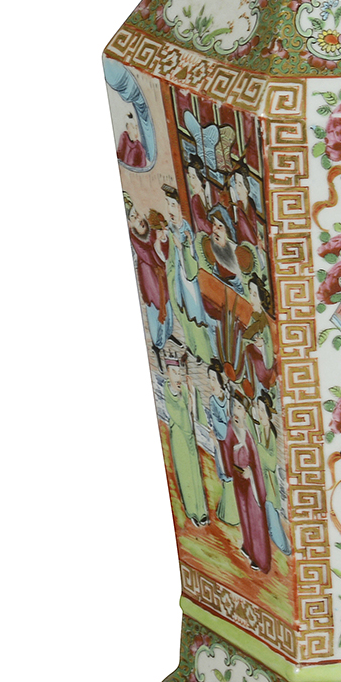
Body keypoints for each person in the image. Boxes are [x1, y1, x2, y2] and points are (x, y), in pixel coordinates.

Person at [161, 185, 214, 361]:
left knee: (195, 317)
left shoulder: (185, 229)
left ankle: (204, 354)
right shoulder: (169, 228)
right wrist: (165, 241)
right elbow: (166, 256)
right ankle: (192, 348)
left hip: (189, 282)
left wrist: (183, 246)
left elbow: (192, 263)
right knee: (184, 316)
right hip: (177, 280)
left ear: (179, 207)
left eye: (173, 204)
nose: (170, 209)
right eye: (168, 204)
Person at [162, 350, 208, 527]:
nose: (178, 377)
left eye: (179, 372)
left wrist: (191, 391)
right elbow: (178, 413)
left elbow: (193, 411)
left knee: (195, 472)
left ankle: (202, 512)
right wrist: (185, 398)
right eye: (174, 372)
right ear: (168, 373)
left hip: (189, 435)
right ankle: (193, 512)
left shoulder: (183, 389)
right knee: (185, 473)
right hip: (180, 436)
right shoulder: (168, 391)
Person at [228, 394, 271, 572]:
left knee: (255, 517)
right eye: (235, 406)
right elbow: (226, 453)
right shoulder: (231, 428)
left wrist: (251, 473)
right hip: (239, 480)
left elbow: (256, 461)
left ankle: (260, 558)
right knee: (244, 514)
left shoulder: (248, 432)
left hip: (251, 481)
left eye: (240, 407)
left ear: (245, 412)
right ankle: (248, 547)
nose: (236, 410)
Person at [126, 201, 173, 356]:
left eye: (137, 214)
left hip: (161, 275)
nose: (139, 218)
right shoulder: (134, 237)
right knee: (155, 307)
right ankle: (157, 343)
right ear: (130, 223)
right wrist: (157, 245)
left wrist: (163, 240)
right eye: (134, 217)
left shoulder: (150, 229)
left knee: (167, 302)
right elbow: (146, 255)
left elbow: (164, 253)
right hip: (149, 278)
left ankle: (168, 333)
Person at [253, 394, 291, 555]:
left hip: (270, 484)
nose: (259, 413)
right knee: (268, 516)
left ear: (268, 413)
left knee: (273, 517)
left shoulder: (271, 433)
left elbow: (270, 461)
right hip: (263, 480)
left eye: (262, 410)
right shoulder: (263, 430)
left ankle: (285, 548)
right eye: (258, 409)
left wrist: (258, 447)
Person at [203, 364, 239, 526]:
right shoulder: (213, 400)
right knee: (226, 473)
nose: (211, 382)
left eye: (213, 378)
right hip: (222, 443)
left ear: (219, 380)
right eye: (209, 378)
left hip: (232, 442)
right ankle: (228, 513)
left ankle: (233, 513)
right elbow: (219, 427)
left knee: (234, 473)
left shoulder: (228, 397)